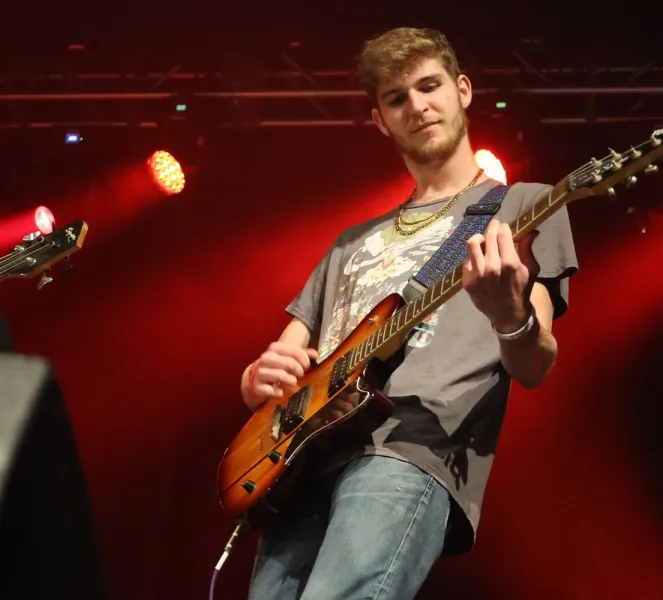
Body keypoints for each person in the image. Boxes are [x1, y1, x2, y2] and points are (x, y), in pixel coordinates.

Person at [240, 26, 579, 600]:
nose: (417, 106)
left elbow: (534, 364)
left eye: (429, 86)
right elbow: (278, 364)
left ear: (462, 90)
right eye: (397, 98)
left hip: (407, 450)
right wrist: (255, 379)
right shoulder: (350, 243)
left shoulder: (524, 205)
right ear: (380, 120)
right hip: (304, 461)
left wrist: (509, 317)